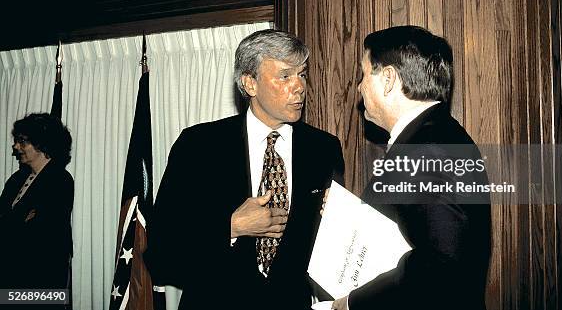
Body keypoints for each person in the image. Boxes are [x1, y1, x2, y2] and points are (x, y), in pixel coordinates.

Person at [145, 29, 344, 309]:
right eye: (285, 75)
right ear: (250, 83)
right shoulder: (198, 146)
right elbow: (161, 252)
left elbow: (333, 248)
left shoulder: (324, 150)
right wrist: (231, 227)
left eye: (302, 74)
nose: (299, 86)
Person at [332, 26, 491, 310]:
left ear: (389, 79)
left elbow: (442, 265)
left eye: (364, 74)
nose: (359, 87)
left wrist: (353, 303)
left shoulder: (427, 148)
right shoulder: (432, 136)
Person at [0, 113, 74, 290]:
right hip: (9, 275)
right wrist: (21, 221)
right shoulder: (16, 179)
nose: (16, 146)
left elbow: (43, 232)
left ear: (43, 144)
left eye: (23, 141)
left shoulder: (61, 180)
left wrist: (12, 225)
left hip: (43, 278)